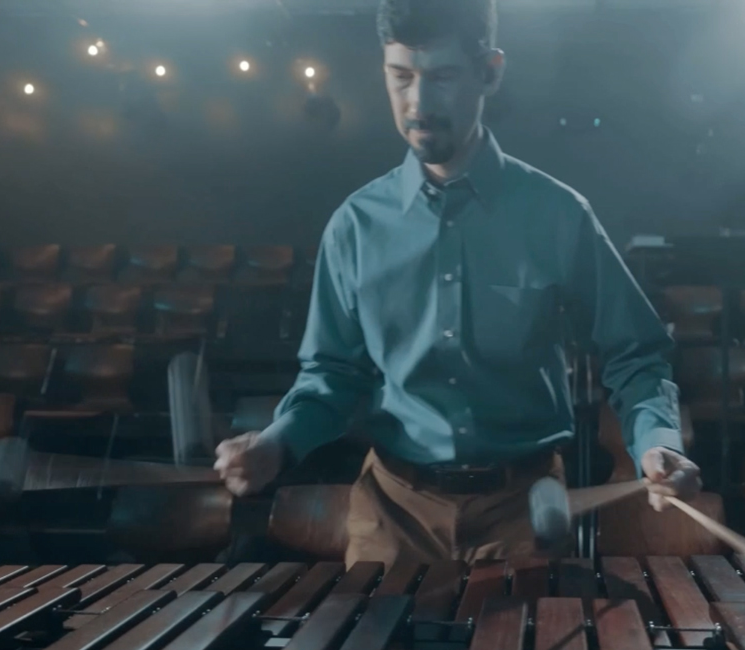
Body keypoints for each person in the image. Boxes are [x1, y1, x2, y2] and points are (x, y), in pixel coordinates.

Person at [215, 0, 701, 568]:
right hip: (391, 511)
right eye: (401, 77)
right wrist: (277, 443)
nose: (418, 103)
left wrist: (658, 443)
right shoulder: (355, 226)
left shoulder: (559, 215)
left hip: (524, 511)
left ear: (489, 72)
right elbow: (333, 374)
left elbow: (636, 352)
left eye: (443, 76)